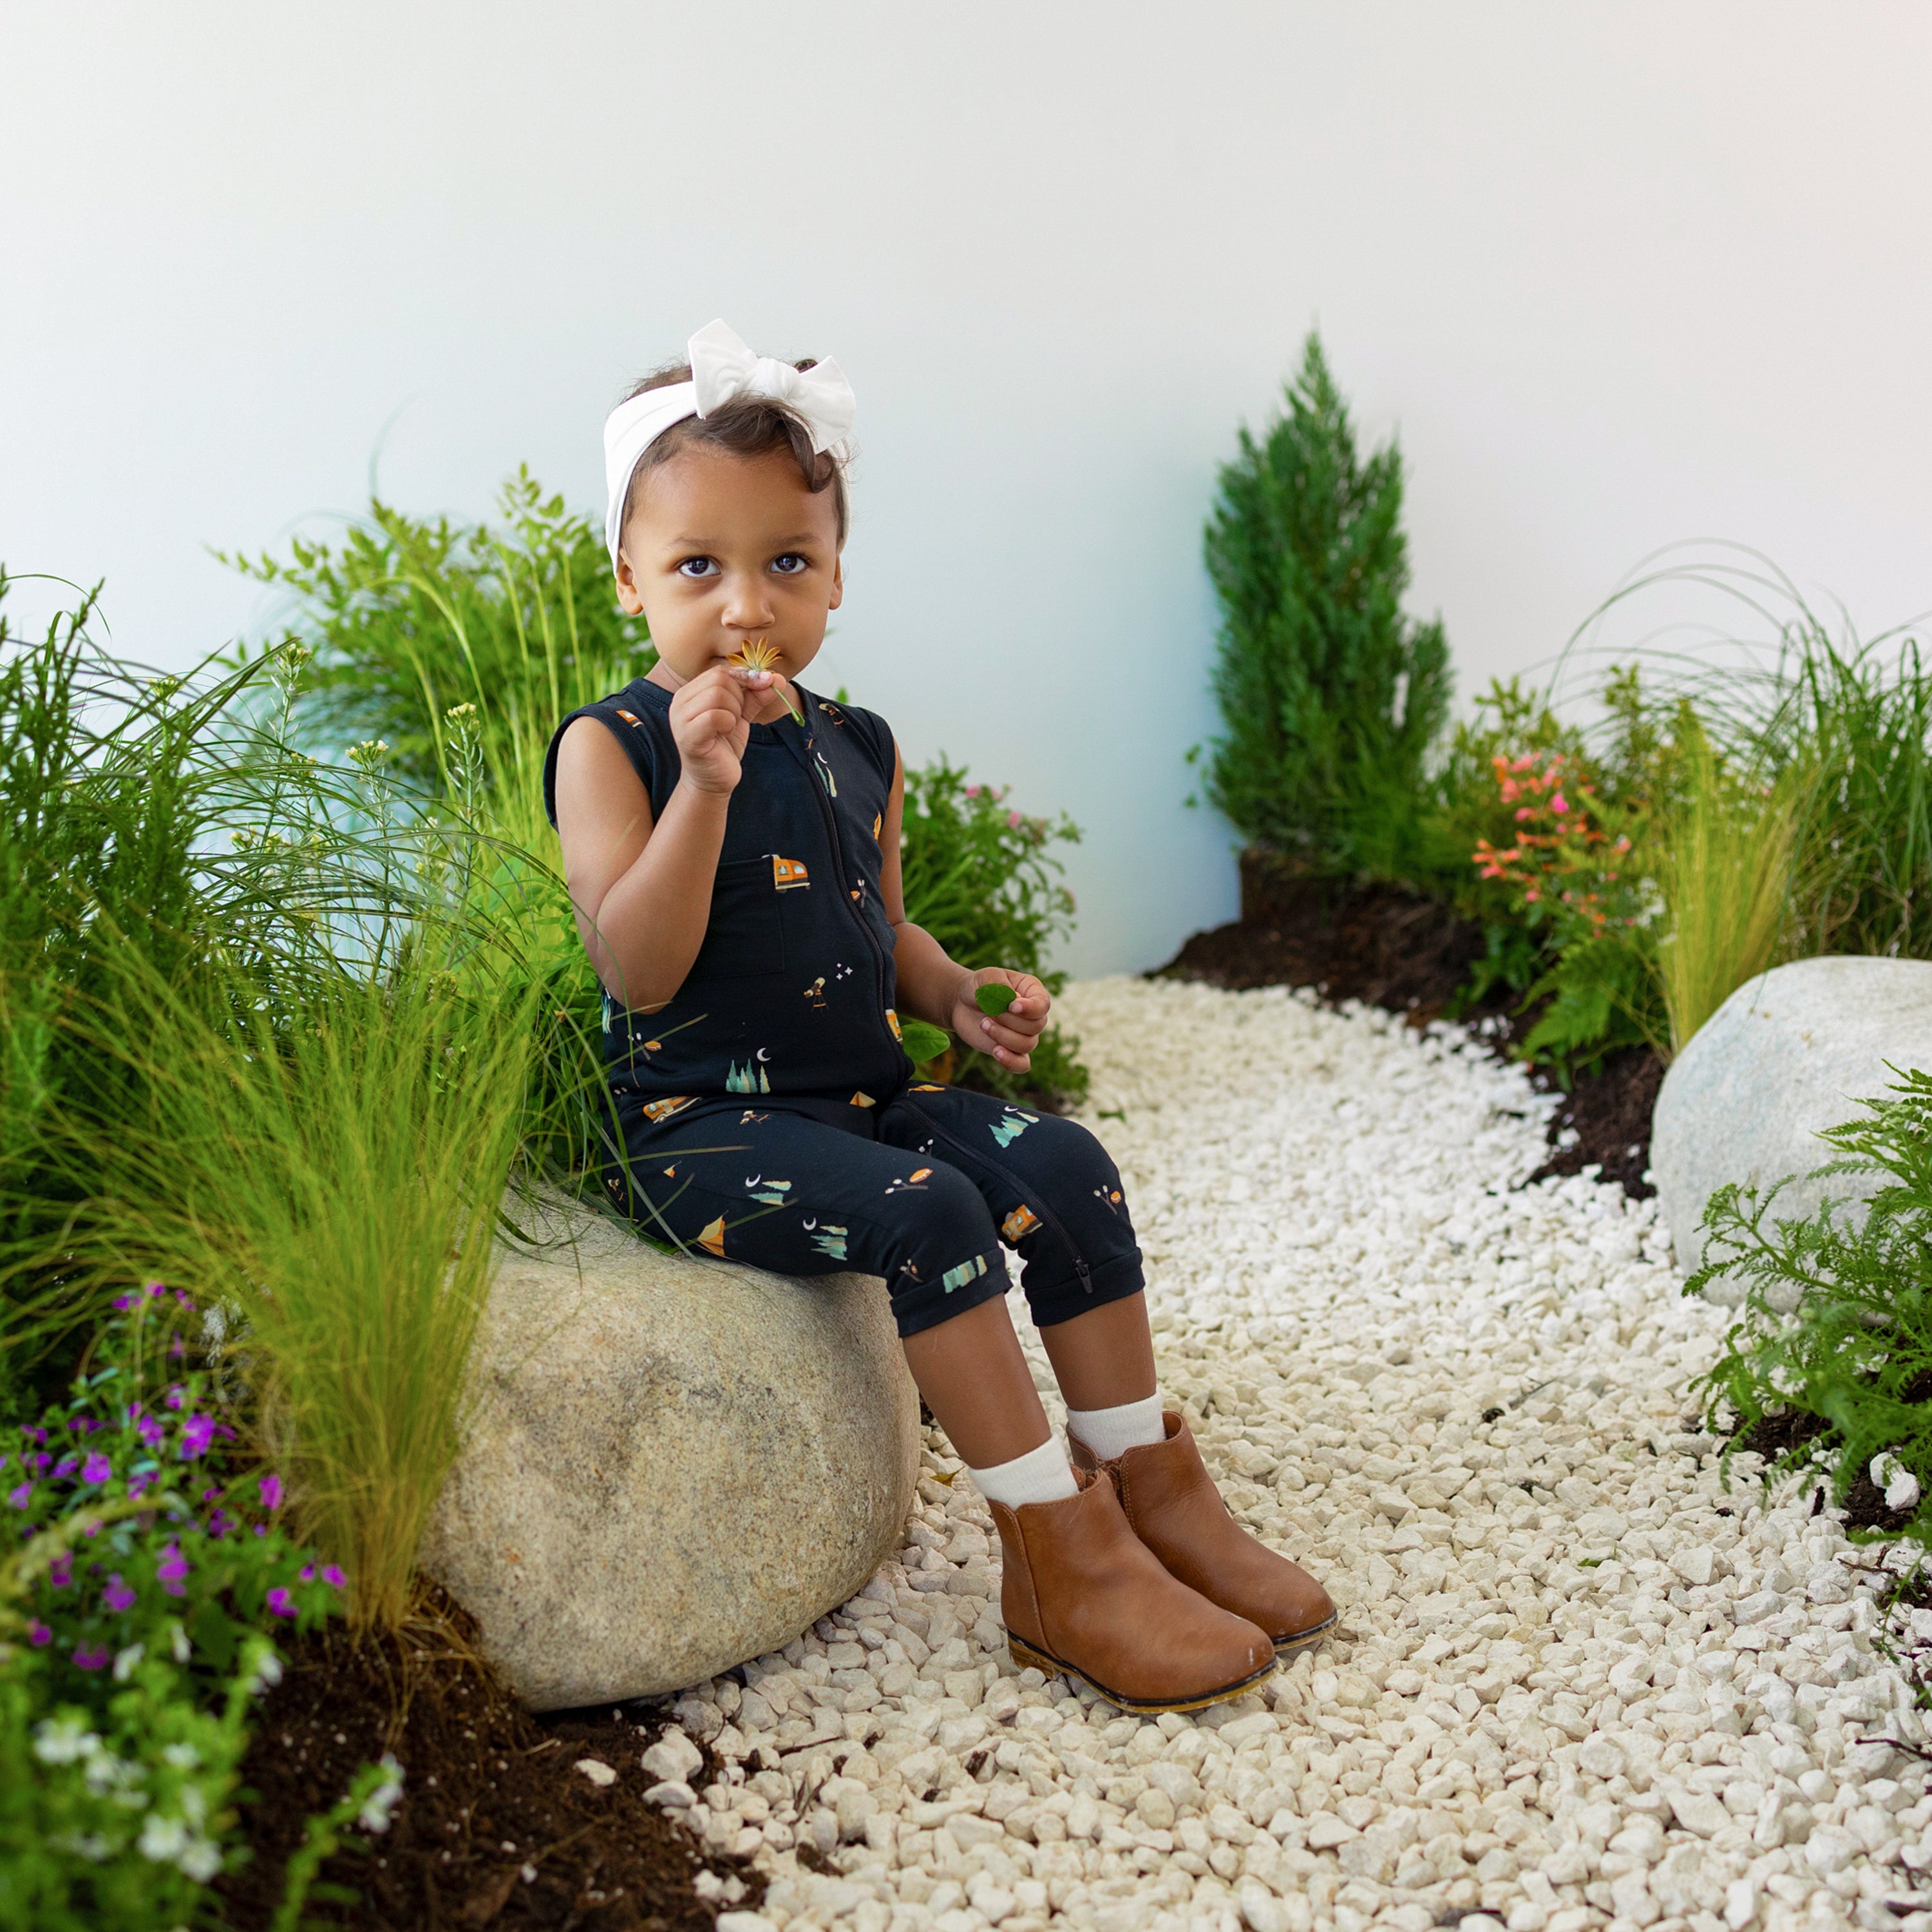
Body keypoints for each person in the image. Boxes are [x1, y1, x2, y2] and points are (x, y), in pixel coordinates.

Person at [544, 320, 1333, 1713]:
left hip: (858, 1099)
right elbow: (640, 972)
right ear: (629, 582)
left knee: (1063, 1166)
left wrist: (958, 995)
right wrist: (704, 788)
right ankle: (1057, 1556)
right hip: (700, 1128)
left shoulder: (860, 745)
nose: (746, 604)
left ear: (838, 575)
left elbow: (875, 923)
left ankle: (1148, 1482)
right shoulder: (613, 749)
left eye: (787, 561)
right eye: (697, 567)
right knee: (932, 1211)